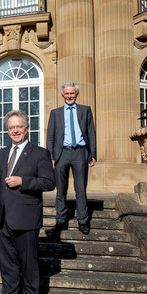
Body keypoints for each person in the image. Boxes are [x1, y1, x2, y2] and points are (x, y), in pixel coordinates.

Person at [0, 110, 55, 294]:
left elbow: (48, 183)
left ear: (27, 128)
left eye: (19, 127)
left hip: (26, 217)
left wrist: (23, 181)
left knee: (29, 264)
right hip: (3, 218)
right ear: (7, 131)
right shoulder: (0, 154)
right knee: (7, 264)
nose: (15, 130)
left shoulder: (40, 153)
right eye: (11, 127)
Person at [46, 82, 97, 235]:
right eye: (67, 93)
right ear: (63, 95)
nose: (69, 96)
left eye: (72, 93)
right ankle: (60, 220)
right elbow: (51, 137)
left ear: (76, 94)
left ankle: (83, 222)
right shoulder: (55, 113)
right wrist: (51, 156)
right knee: (61, 189)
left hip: (80, 152)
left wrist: (92, 154)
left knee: (81, 189)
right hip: (62, 153)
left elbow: (91, 133)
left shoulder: (85, 110)